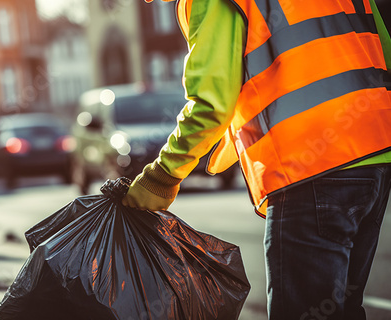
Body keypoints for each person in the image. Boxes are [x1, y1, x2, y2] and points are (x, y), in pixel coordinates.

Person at [123, 0, 391, 319]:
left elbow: (211, 103)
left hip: (312, 165)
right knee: (341, 309)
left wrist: (162, 176)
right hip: (374, 154)